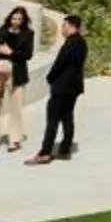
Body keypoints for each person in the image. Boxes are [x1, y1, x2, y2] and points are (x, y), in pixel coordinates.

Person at [0, 5, 35, 154]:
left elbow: (28, 55)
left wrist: (11, 52)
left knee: (16, 106)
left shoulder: (28, 33)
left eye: (19, 19)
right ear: (9, 18)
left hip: (17, 72)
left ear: (23, 20)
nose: (16, 21)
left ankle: (14, 139)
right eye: (14, 18)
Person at [31, 13, 87, 165]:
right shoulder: (82, 42)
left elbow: (60, 64)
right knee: (67, 117)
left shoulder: (70, 43)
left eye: (63, 25)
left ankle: (45, 153)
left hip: (62, 87)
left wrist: (50, 77)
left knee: (53, 120)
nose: (62, 29)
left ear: (70, 26)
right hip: (73, 88)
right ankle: (65, 148)